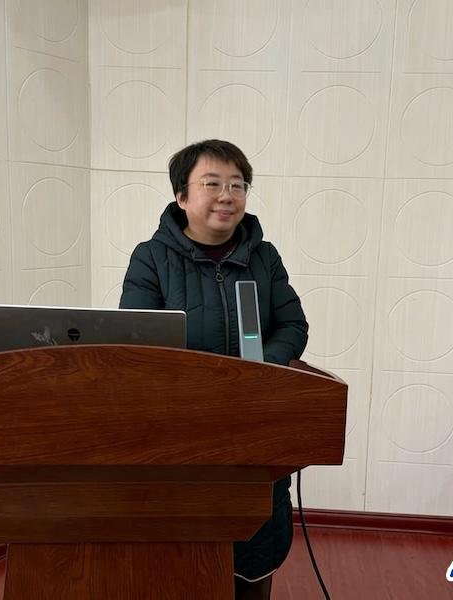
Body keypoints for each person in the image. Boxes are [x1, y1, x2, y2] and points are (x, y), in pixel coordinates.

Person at [119, 139, 309, 599]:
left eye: (237, 185)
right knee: (180, 565)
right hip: (179, 434)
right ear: (181, 196)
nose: (227, 195)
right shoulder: (151, 257)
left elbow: (292, 325)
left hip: (253, 427)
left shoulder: (264, 257)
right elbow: (137, 342)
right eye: (212, 184)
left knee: (254, 553)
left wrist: (258, 368)